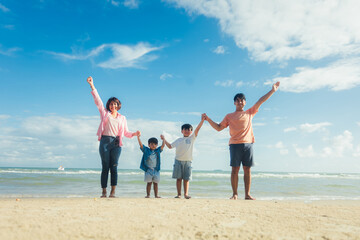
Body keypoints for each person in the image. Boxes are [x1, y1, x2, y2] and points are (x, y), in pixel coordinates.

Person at [204, 82, 280, 200]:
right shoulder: (229, 116)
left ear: (245, 102)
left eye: (242, 100)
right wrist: (208, 119)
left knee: (247, 170)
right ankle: (235, 194)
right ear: (234, 103)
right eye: (237, 100)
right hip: (234, 145)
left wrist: (272, 91)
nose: (240, 102)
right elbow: (219, 128)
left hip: (248, 144)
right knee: (235, 169)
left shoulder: (249, 112)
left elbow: (260, 101)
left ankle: (247, 194)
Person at [87, 76, 139, 198]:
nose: (113, 106)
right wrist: (92, 85)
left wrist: (134, 134)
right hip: (105, 141)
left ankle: (113, 192)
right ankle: (104, 192)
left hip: (116, 143)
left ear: (118, 105)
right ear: (108, 105)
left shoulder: (122, 118)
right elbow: (98, 101)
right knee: (105, 167)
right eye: (111, 104)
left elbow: (125, 132)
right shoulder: (105, 113)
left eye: (115, 104)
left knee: (114, 167)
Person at [162, 115, 205, 199]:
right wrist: (164, 139)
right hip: (178, 160)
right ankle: (179, 194)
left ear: (191, 131)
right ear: (182, 131)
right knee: (179, 179)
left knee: (186, 179)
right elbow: (170, 146)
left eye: (189, 129)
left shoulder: (192, 138)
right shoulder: (178, 140)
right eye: (185, 129)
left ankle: (186, 194)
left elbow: (198, 129)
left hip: (188, 161)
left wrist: (202, 120)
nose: (187, 131)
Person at [137, 133, 165, 198]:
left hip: (156, 170)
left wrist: (163, 139)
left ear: (157, 145)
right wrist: (138, 138)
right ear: (149, 144)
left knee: (156, 183)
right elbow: (141, 145)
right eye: (151, 144)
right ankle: (148, 195)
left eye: (155, 144)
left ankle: (156, 195)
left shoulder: (158, 150)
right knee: (149, 183)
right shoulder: (146, 150)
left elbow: (163, 146)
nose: (153, 145)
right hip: (148, 170)